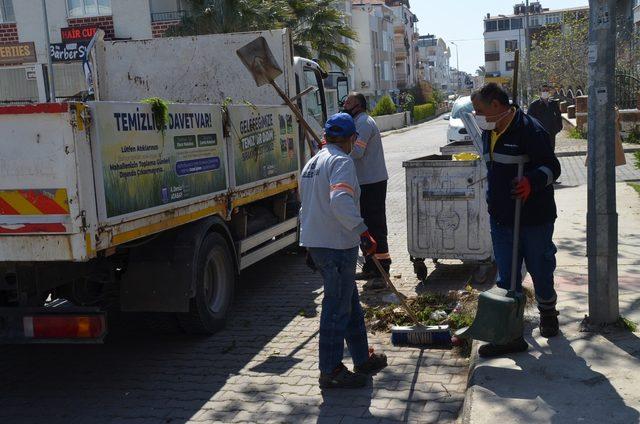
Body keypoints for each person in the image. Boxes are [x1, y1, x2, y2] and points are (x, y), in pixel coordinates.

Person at [471, 83, 562, 358]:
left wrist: (530, 182)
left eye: (480, 110)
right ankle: (510, 334)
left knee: (540, 268)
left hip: (533, 217)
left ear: (497, 106)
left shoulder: (530, 130)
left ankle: (548, 313)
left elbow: (552, 167)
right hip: (501, 218)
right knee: (507, 276)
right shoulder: (491, 131)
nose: (477, 115)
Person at [299, 112, 387, 389]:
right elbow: (339, 201)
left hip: (321, 242)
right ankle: (330, 370)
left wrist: (308, 242)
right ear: (351, 138)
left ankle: (361, 358)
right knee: (336, 309)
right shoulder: (341, 161)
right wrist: (363, 231)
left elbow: (306, 208)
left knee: (349, 304)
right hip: (336, 245)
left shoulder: (311, 163)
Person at [342, 93, 391, 281]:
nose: (344, 105)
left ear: (359, 106)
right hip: (365, 181)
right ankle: (371, 266)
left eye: (348, 102)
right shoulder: (357, 122)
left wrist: (336, 149)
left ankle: (382, 268)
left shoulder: (363, 123)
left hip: (372, 182)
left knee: (375, 224)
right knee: (367, 225)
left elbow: (357, 151)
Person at [527, 84, 563, 152]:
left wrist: (558, 128)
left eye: (547, 90)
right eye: (543, 90)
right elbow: (529, 120)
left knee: (551, 152)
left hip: (551, 133)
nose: (545, 92)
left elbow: (559, 116)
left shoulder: (553, 104)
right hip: (539, 135)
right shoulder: (534, 105)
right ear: (540, 92)